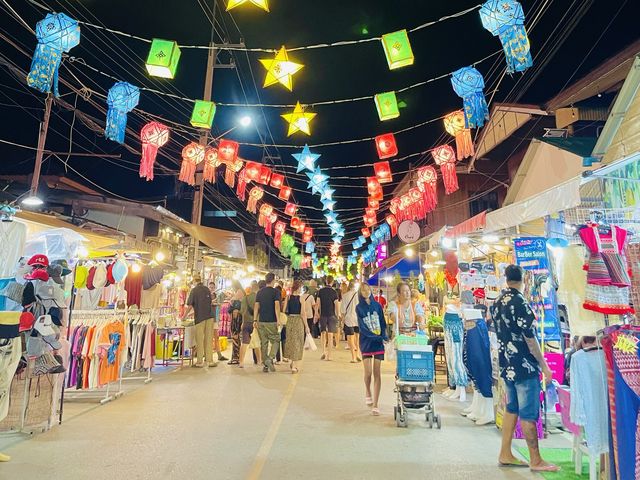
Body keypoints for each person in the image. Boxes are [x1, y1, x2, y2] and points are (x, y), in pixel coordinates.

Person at [493, 265, 559, 472]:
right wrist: (544, 365)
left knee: (512, 408)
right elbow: (530, 339)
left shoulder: (496, 302)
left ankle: (505, 452)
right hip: (523, 366)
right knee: (529, 412)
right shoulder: (520, 302)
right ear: (522, 280)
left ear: (506, 279)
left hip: (507, 364)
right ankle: (536, 460)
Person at [356, 283, 387, 416]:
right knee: (368, 372)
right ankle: (367, 390)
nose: (366, 292)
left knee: (377, 373)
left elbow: (383, 322)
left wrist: (384, 336)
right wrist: (373, 336)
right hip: (366, 342)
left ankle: (376, 404)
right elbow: (362, 326)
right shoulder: (359, 308)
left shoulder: (378, 306)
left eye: (368, 289)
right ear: (360, 292)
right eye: (363, 290)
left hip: (378, 342)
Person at [182, 275, 217, 368]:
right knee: (209, 338)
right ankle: (209, 360)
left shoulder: (194, 291)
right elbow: (208, 302)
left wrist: (184, 316)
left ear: (194, 281)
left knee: (199, 339)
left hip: (200, 317)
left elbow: (189, 306)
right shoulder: (206, 289)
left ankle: (200, 361)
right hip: (210, 316)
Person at [254, 273, 281, 372]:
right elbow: (277, 306)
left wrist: (255, 320)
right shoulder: (275, 292)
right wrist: (278, 319)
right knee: (276, 340)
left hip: (261, 321)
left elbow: (256, 306)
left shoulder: (260, 292)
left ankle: (266, 365)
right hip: (272, 321)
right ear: (273, 280)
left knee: (264, 343)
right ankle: (270, 358)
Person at [283, 280, 309, 373]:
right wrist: (307, 326)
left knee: (290, 341)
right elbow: (303, 313)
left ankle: (292, 362)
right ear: (298, 288)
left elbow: (284, 310)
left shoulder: (288, 297)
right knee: (297, 342)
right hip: (298, 321)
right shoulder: (301, 299)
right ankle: (294, 365)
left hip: (289, 320)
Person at [315, 276, 339, 361]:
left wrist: (316, 313)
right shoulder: (334, 292)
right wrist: (338, 314)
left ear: (326, 281)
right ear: (332, 282)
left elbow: (317, 303)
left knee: (323, 334)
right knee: (330, 334)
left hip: (323, 315)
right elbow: (336, 304)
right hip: (332, 315)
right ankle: (329, 355)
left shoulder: (320, 291)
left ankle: (323, 352)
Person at [239, 280, 261, 368]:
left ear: (251, 289)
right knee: (256, 342)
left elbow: (242, 311)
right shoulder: (259, 298)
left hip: (246, 322)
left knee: (244, 343)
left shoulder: (245, 298)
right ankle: (259, 361)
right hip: (256, 323)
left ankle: (241, 362)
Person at [340, 280, 361, 363]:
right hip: (358, 319)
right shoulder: (359, 296)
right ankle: (358, 354)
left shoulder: (345, 296)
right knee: (357, 337)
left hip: (349, 319)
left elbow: (342, 311)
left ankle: (353, 357)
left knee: (350, 338)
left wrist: (342, 320)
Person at [208, 280, 228, 362]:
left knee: (216, 336)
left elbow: (219, 304)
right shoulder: (207, 296)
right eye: (210, 287)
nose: (212, 289)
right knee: (209, 337)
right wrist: (213, 303)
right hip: (209, 319)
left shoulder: (216, 295)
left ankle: (219, 354)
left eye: (213, 287)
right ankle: (208, 356)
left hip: (215, 318)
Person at [228, 281, 245, 365]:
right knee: (235, 336)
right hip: (236, 317)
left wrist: (231, 300)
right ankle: (236, 357)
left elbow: (232, 301)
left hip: (237, 318)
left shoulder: (239, 292)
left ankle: (236, 357)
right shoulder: (240, 291)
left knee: (235, 336)